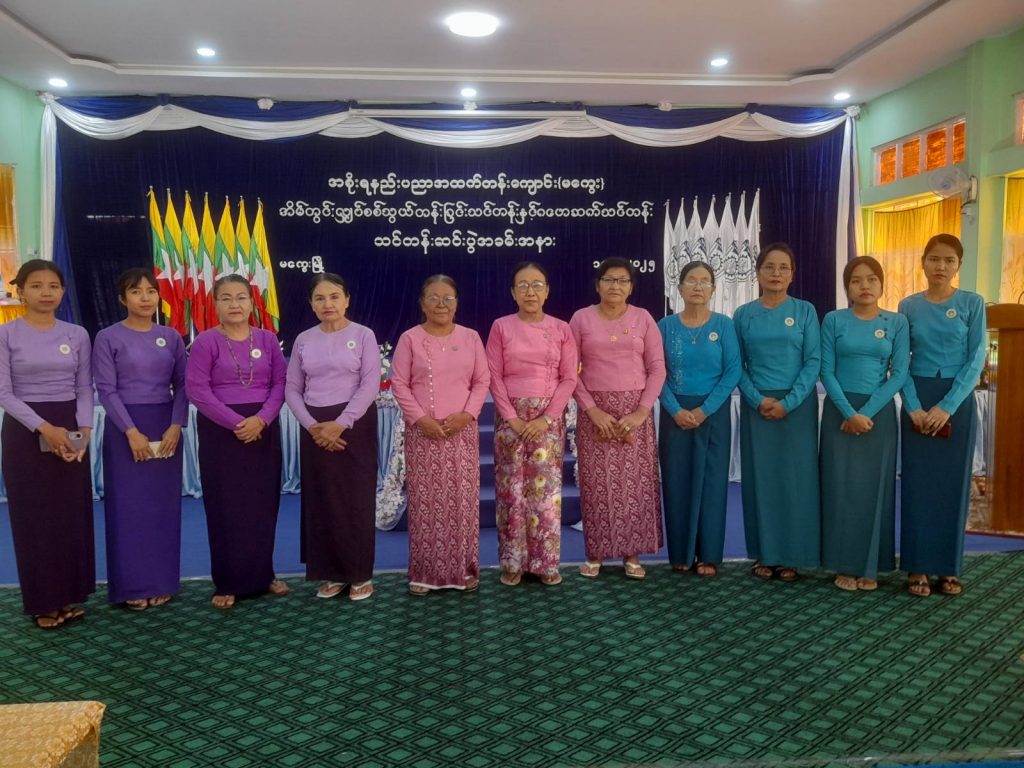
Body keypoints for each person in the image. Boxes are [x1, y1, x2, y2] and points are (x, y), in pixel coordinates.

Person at [185, 274, 288, 608]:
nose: (234, 304)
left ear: (252, 302)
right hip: (221, 431)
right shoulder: (206, 342)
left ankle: (264, 575)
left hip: (263, 428)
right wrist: (237, 422)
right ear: (215, 304)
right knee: (226, 506)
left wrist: (262, 419)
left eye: (241, 297)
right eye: (226, 298)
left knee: (262, 504)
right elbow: (197, 390)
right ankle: (227, 582)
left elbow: (280, 383)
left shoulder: (267, 339)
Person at [0, 260, 93, 629]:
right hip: (25, 430)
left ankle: (68, 595)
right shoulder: (6, 334)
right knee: (35, 518)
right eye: (36, 285)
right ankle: (42, 602)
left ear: (63, 291)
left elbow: (84, 387)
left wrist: (84, 429)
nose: (46, 292)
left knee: (69, 515)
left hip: (70, 425)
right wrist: (44, 428)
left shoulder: (77, 334)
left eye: (53, 286)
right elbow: (4, 393)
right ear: (21, 291)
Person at [94, 268, 187, 610]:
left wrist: (176, 425)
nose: (145, 298)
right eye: (136, 291)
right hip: (126, 429)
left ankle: (162, 581)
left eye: (150, 291)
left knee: (162, 508)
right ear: (123, 298)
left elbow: (183, 385)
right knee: (129, 508)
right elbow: (106, 390)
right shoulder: (108, 337)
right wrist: (131, 431)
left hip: (166, 428)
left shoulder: (171, 336)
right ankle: (131, 585)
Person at [898, 234, 986, 597]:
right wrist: (913, 406)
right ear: (923, 262)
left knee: (953, 486)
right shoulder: (908, 306)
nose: (941, 266)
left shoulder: (972, 303)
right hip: (917, 401)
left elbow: (977, 357)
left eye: (949, 260)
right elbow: (900, 361)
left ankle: (948, 567)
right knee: (917, 486)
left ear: (959, 265)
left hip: (957, 400)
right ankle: (917, 566)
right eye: (934, 259)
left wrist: (947, 406)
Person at [391, 275, 490, 595]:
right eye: (434, 298)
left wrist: (467, 414)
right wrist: (421, 419)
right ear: (422, 303)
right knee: (426, 503)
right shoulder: (410, 338)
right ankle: (424, 573)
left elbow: (482, 381)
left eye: (448, 298)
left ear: (457, 303)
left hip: (462, 431)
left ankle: (464, 570)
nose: (441, 304)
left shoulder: (471, 337)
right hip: (423, 433)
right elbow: (399, 384)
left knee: (462, 502)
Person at [285, 273, 379, 602]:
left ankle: (360, 574)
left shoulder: (363, 335)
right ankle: (332, 573)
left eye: (335, 296)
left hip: (354, 425)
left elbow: (370, 384)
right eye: (320, 298)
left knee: (355, 499)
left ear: (347, 300)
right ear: (311, 304)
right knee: (322, 500)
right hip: (314, 426)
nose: (328, 303)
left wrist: (341, 423)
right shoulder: (303, 339)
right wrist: (312, 425)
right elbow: (292, 388)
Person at [569, 258, 665, 579]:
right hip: (595, 413)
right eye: (609, 280)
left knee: (634, 485)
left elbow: (657, 368)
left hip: (635, 412)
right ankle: (595, 554)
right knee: (598, 486)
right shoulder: (581, 318)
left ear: (631, 287)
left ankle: (632, 554)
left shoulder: (643, 318)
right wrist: (592, 409)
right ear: (598, 285)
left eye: (623, 281)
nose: (615, 286)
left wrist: (641, 411)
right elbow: (569, 371)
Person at [820, 257, 909, 592]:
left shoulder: (896, 322)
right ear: (847, 287)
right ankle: (843, 564)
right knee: (840, 487)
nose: (865, 286)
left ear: (882, 284)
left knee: (875, 490)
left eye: (872, 279)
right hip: (839, 412)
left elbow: (898, 374)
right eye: (856, 280)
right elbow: (826, 370)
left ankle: (871, 565)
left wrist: (866, 412)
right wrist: (848, 412)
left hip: (878, 414)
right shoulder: (833, 320)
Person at [486, 262, 578, 586]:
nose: (530, 291)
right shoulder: (501, 327)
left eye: (537, 284)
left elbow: (569, 378)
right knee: (510, 492)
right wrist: (511, 417)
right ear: (513, 292)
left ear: (547, 291)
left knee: (545, 493)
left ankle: (545, 563)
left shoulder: (561, 328)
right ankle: (512, 562)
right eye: (523, 285)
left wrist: (547, 417)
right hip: (509, 417)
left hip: (547, 420)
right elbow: (493, 375)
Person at [733, 243, 821, 582]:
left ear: (792, 274)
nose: (776, 273)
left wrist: (789, 402)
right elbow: (737, 365)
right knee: (762, 480)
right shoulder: (744, 314)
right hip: (758, 407)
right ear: (758, 272)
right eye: (769, 266)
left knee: (796, 480)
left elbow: (813, 361)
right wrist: (757, 399)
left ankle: (793, 555)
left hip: (796, 408)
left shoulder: (805, 311)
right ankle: (765, 554)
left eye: (783, 267)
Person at [657, 261, 741, 577]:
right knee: (677, 482)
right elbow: (655, 371)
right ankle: (681, 553)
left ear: (713, 289)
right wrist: (675, 409)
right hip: (675, 414)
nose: (697, 286)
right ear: (679, 288)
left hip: (713, 414)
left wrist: (705, 409)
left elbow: (733, 370)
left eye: (705, 281)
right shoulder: (665, 326)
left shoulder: (724, 325)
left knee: (712, 484)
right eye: (691, 280)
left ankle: (709, 555)